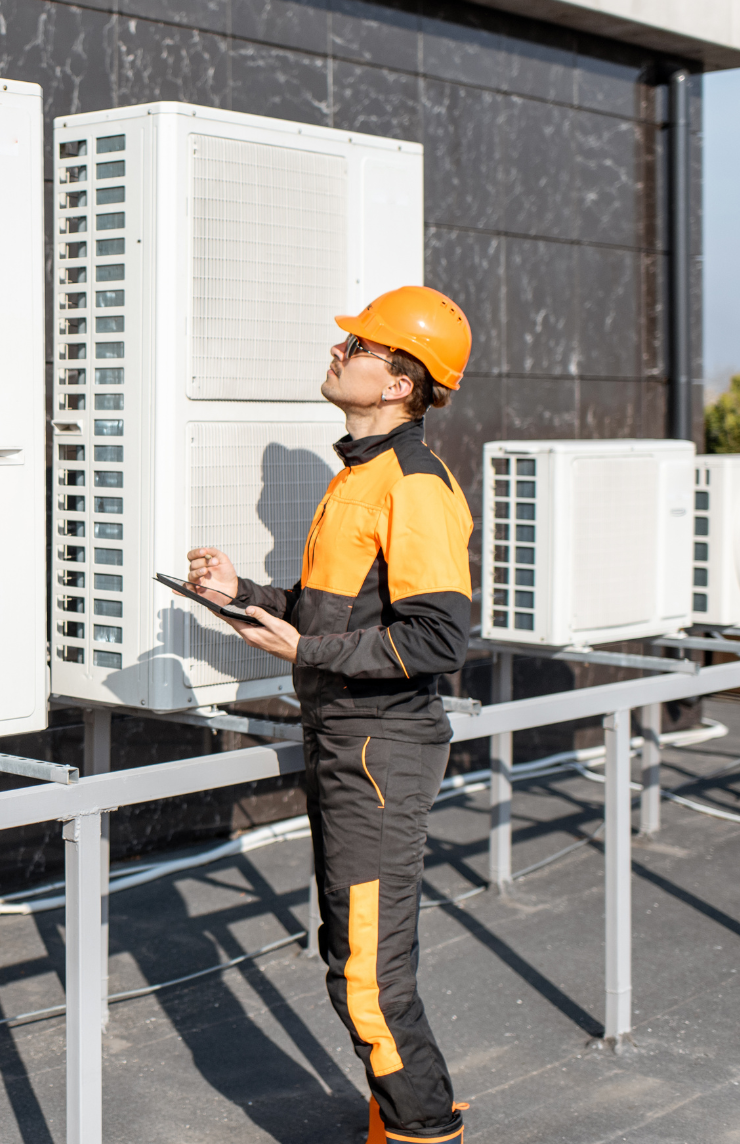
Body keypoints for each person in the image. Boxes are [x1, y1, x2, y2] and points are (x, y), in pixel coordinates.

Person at [182, 286, 475, 1144]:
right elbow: (332, 613)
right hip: (350, 740)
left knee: (369, 980)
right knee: (350, 954)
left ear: (399, 382)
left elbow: (434, 639)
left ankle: (423, 1129)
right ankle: (402, 1120)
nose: (338, 352)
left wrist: (300, 653)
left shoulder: (414, 484)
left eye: (358, 347)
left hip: (382, 749)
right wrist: (243, 596)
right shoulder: (362, 475)